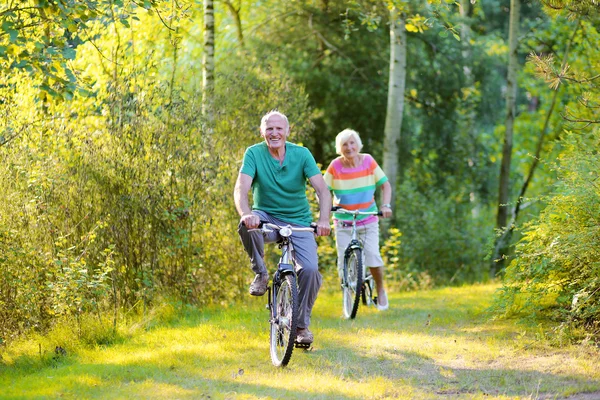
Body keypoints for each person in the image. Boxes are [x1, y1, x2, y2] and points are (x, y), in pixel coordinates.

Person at [234, 110, 332, 345]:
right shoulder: (254, 153)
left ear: (287, 131)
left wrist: (324, 219)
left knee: (309, 270)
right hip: (265, 217)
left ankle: (300, 327)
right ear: (262, 132)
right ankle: (261, 272)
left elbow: (322, 190)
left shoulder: (302, 154)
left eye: (279, 128)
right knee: (246, 226)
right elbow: (241, 189)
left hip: (298, 221)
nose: (274, 133)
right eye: (269, 128)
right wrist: (247, 214)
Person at [323, 128, 392, 311]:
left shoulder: (368, 161)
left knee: (373, 256)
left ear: (358, 144)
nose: (349, 147)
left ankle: (380, 289)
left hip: (367, 219)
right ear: (340, 148)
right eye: (344, 144)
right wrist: (326, 209)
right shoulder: (335, 166)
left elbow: (385, 185)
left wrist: (385, 206)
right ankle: (348, 295)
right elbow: (322, 190)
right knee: (343, 261)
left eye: (352, 142)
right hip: (343, 221)